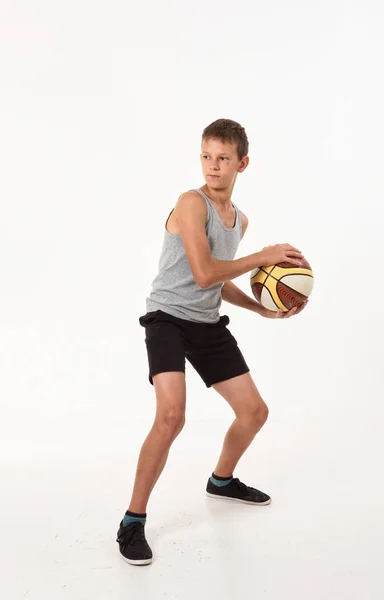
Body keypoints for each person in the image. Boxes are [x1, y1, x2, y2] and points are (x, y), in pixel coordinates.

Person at [116, 118, 307, 566]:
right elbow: (202, 273)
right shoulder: (190, 202)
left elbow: (215, 284)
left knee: (255, 412)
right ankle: (132, 521)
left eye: (223, 158)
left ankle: (222, 481)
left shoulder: (239, 219)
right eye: (206, 156)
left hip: (205, 323)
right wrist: (262, 257)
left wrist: (263, 308)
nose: (213, 167)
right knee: (171, 416)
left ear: (242, 163)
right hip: (166, 318)